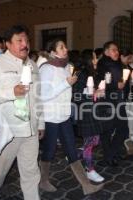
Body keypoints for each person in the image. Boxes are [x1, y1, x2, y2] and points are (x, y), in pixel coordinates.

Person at [0, 25, 44, 200]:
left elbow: (38, 96)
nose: (25, 44)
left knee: (31, 170)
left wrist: (41, 123)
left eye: (27, 40)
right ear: (7, 44)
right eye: (19, 41)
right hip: (8, 130)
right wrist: (11, 93)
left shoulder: (32, 65)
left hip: (30, 128)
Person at [39, 39, 103, 195]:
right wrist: (66, 83)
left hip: (64, 115)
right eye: (61, 47)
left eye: (65, 46)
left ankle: (86, 185)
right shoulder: (46, 69)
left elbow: (71, 92)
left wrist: (90, 91)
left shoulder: (67, 67)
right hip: (51, 117)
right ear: (53, 52)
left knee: (71, 150)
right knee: (49, 151)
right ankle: (43, 181)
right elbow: (44, 95)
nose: (65, 49)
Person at [72, 49, 105, 183]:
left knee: (95, 141)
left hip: (95, 110)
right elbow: (76, 95)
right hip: (86, 112)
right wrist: (91, 94)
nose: (96, 60)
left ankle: (74, 155)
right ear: (88, 60)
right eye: (94, 58)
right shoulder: (81, 74)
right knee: (90, 142)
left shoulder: (94, 73)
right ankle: (89, 170)